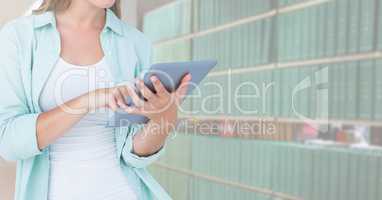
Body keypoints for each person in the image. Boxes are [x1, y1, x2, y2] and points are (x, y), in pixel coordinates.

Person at [0, 0, 191, 199]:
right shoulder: (20, 36)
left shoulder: (135, 42)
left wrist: (163, 119)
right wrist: (88, 101)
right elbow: (8, 143)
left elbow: (134, 155)